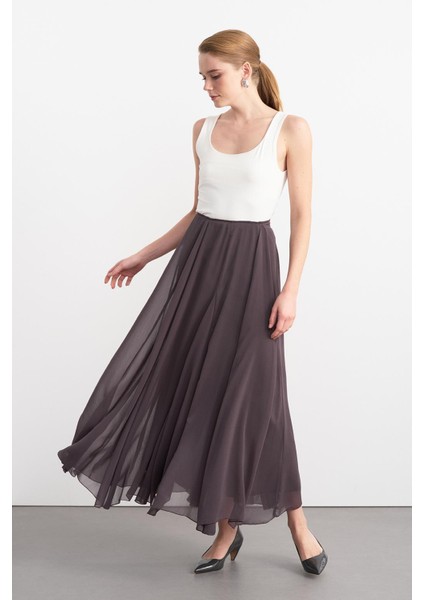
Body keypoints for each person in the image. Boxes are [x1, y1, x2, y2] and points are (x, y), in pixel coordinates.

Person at [57, 29, 328, 576]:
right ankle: (227, 529)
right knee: (206, 395)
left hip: (254, 275)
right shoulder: (203, 130)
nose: (206, 86)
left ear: (246, 70)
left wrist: (291, 289)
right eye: (202, 77)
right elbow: (200, 209)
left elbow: (302, 216)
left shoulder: (290, 129)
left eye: (214, 75)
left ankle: (297, 524)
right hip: (198, 273)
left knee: (259, 402)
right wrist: (144, 255)